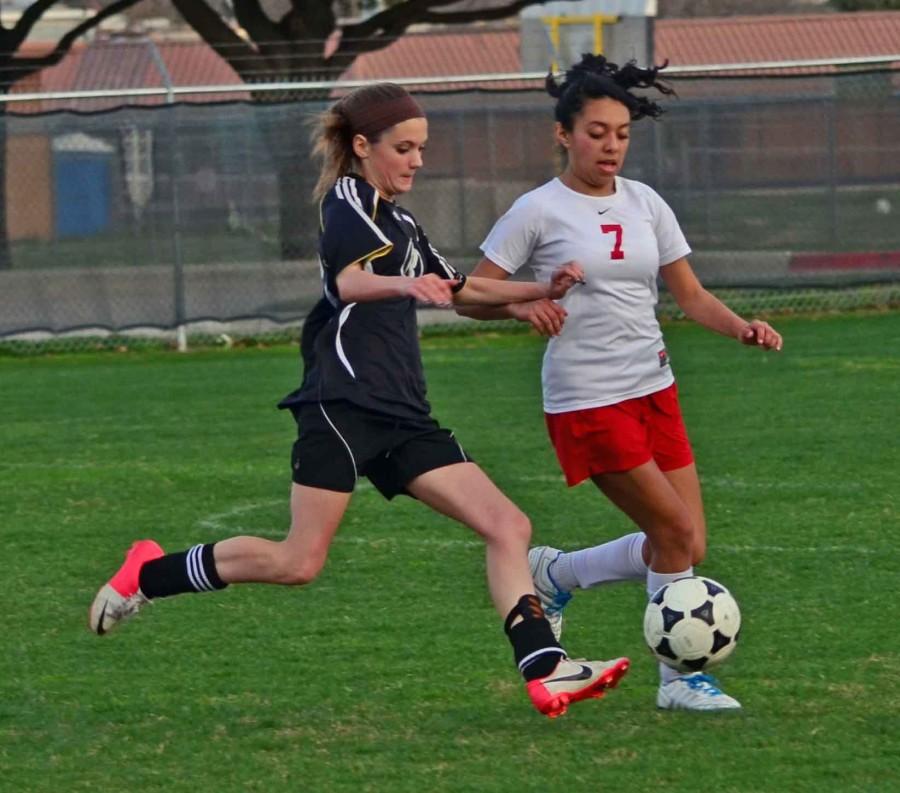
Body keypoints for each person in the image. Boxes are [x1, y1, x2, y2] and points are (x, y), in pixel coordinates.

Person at [88, 82, 630, 719]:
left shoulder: (400, 219)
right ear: (363, 145)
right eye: (405, 148)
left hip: (402, 415)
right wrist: (408, 285)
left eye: (422, 148)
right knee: (298, 562)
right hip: (341, 406)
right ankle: (148, 575)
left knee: (507, 524)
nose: (417, 160)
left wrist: (541, 290)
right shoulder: (347, 202)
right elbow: (349, 282)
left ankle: (546, 668)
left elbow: (459, 291)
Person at [458, 55, 783, 711]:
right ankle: (680, 680)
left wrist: (741, 327)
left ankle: (557, 572)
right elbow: (469, 294)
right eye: (597, 132)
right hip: (586, 397)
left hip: (652, 387)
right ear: (564, 134)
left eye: (621, 133)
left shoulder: (645, 202)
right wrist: (522, 304)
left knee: (687, 539)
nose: (610, 145)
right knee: (668, 527)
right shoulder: (537, 210)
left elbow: (688, 295)